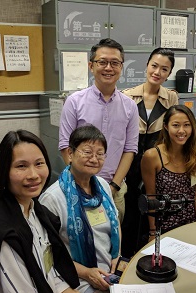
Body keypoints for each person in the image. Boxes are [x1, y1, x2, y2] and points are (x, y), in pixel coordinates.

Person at [0, 130, 116, 293]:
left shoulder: (35, 212)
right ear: (4, 171)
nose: (33, 175)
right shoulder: (3, 235)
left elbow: (54, 279)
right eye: (21, 166)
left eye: (39, 163)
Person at [40, 125, 120, 293]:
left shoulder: (102, 186)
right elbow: (48, 258)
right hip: (78, 281)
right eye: (87, 152)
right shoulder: (52, 199)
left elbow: (115, 224)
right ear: (70, 153)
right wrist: (87, 273)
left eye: (100, 154)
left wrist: (116, 258)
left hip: (109, 274)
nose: (94, 159)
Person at [58, 38, 139, 223]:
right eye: (102, 62)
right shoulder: (74, 102)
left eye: (115, 63)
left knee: (113, 243)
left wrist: (114, 186)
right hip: (79, 187)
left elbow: (130, 149)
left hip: (114, 190)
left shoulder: (130, 106)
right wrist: (82, 182)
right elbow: (65, 146)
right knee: (80, 240)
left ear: (121, 67)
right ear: (91, 66)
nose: (108, 68)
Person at [121, 48, 179, 256]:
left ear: (169, 73)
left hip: (157, 163)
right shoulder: (127, 96)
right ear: (146, 65)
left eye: (164, 69)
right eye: (154, 66)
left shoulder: (171, 98)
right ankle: (127, 255)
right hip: (130, 163)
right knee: (129, 212)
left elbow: (173, 131)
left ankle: (149, 253)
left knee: (153, 209)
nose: (157, 72)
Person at [141, 105, 196, 241]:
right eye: (176, 125)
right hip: (164, 224)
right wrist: (153, 233)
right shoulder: (152, 156)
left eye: (187, 125)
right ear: (165, 126)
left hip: (191, 222)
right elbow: (151, 198)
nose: (182, 131)